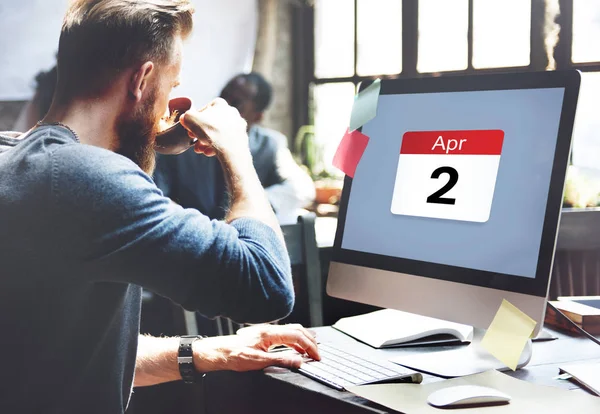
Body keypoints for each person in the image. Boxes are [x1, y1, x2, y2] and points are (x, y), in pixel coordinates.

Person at [0, 1, 319, 413]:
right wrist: (237, 151)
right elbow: (267, 286)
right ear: (143, 79)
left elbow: (65, 354)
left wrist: (214, 351)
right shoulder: (87, 177)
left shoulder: (16, 157)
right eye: (171, 86)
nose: (169, 104)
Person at [153, 72, 315, 222]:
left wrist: (251, 205)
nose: (224, 105)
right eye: (223, 96)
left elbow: (302, 189)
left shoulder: (270, 145)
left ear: (257, 116)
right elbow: (157, 195)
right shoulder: (183, 140)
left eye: (236, 103)